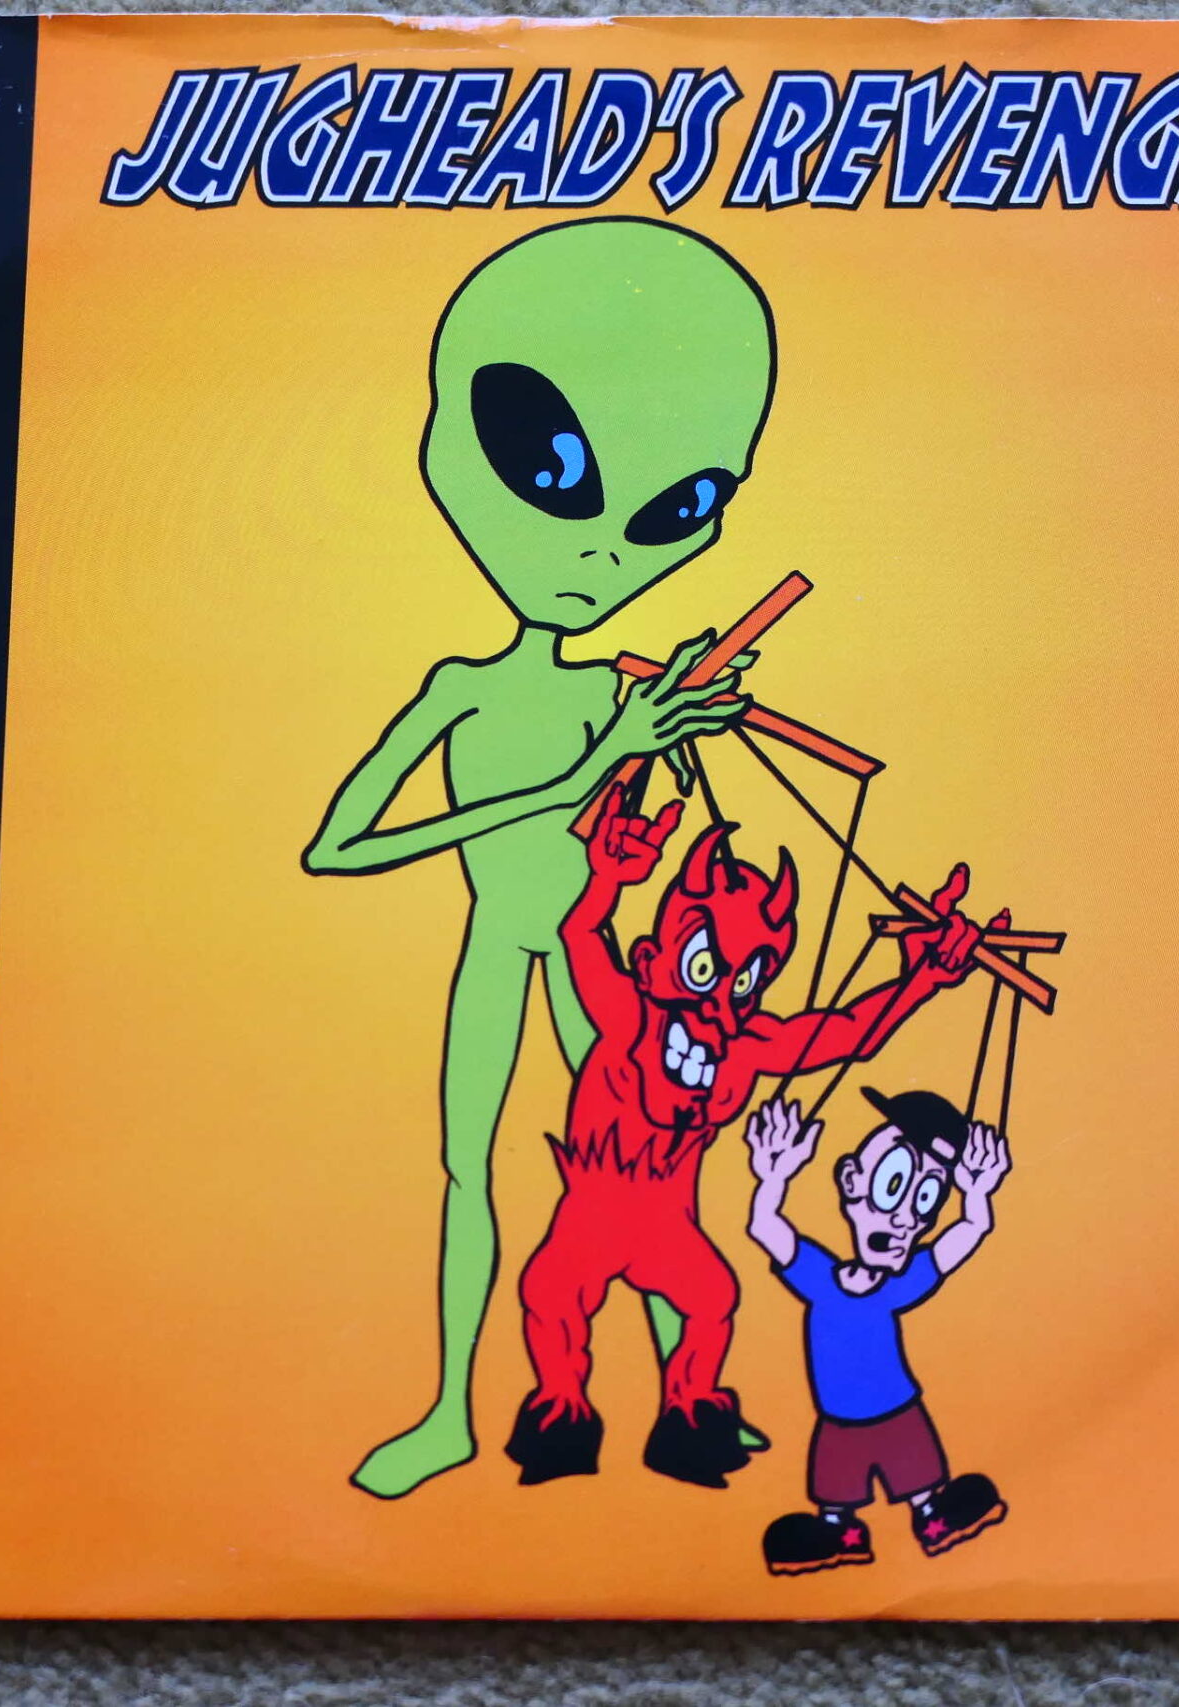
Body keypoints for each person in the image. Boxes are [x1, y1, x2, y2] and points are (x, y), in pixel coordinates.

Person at [304, 218, 774, 1498]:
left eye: (678, 510)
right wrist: (574, 778)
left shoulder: (621, 688)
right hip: (500, 945)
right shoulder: (464, 687)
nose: (604, 553)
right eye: (550, 468)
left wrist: (669, 732)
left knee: (659, 1179)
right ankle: (449, 1412)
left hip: (594, 959)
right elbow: (336, 845)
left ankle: (692, 1398)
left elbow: (653, 819)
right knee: (471, 1170)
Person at [506, 793, 985, 1489]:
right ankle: (561, 1411)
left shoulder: (746, 1044)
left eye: (747, 980)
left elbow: (848, 1033)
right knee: (552, 1293)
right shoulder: (631, 1012)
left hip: (665, 1224)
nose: (719, 1000)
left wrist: (921, 978)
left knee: (712, 1296)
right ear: (652, 957)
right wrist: (605, 878)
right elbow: (580, 935)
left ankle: (689, 1414)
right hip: (594, 1207)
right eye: (705, 967)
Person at [743, 1088, 1012, 1573]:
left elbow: (964, 1237)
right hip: (839, 1419)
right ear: (851, 1181)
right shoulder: (820, 1278)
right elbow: (766, 1226)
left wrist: (976, 1197)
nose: (906, 1217)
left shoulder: (897, 1286)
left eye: (925, 1199)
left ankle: (932, 1516)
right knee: (836, 1488)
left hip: (898, 1412)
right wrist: (773, 1176)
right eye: (893, 1184)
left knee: (921, 1480)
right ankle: (838, 1534)